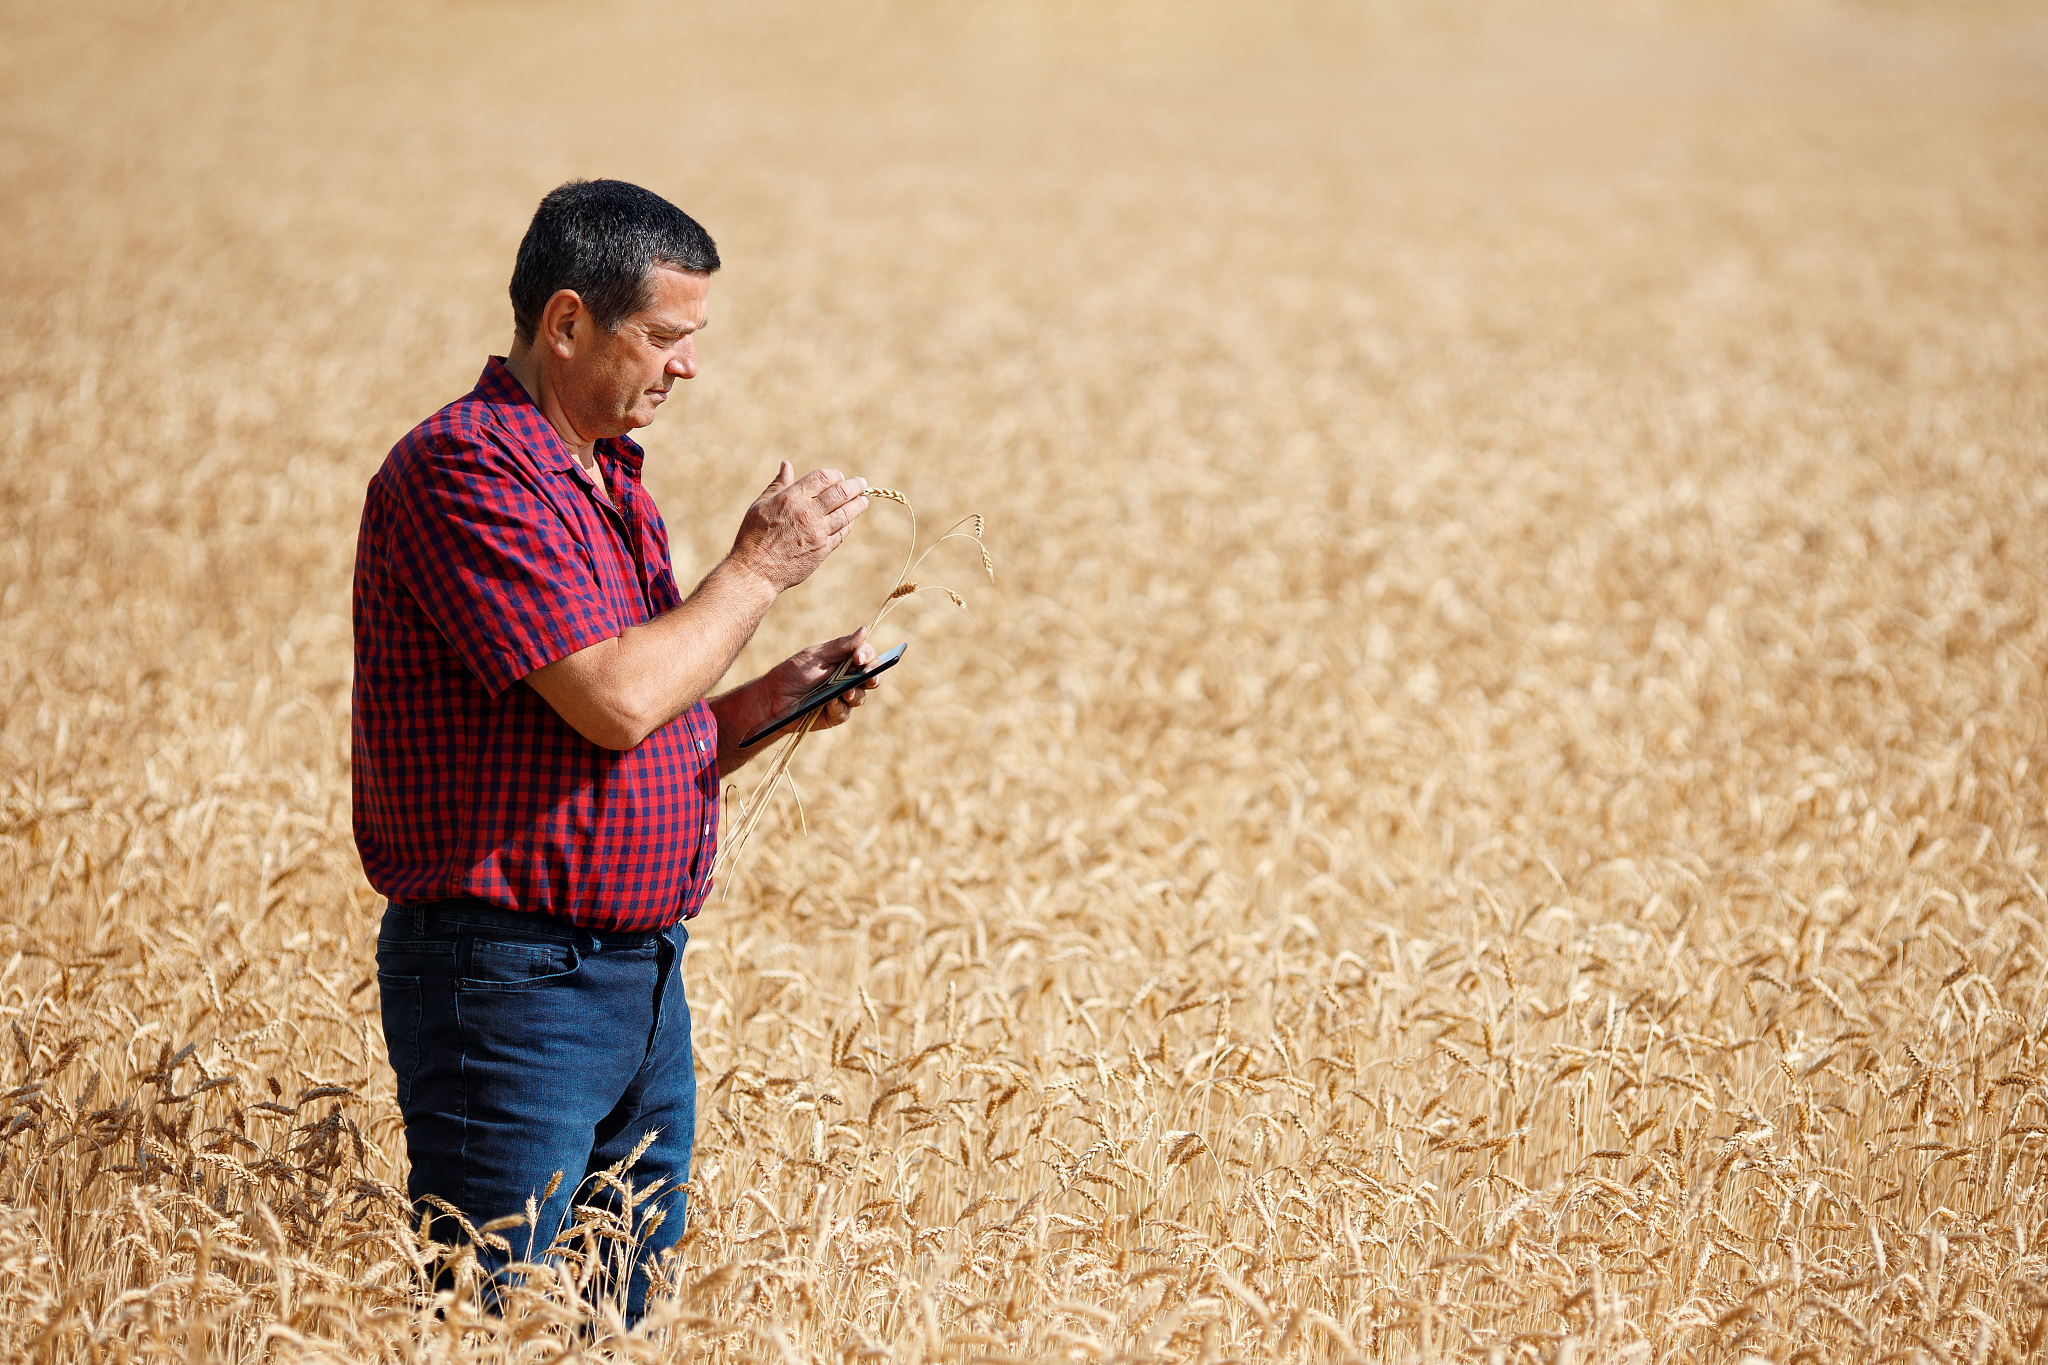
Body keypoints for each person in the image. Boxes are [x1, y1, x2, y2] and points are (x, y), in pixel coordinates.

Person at [352, 179, 876, 1323]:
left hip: (638, 978)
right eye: (667, 336)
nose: (687, 366)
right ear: (568, 322)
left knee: (616, 1319)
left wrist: (769, 700)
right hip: (509, 981)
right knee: (484, 1313)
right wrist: (756, 570)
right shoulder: (469, 472)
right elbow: (614, 703)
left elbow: (640, 730)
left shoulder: (604, 481)